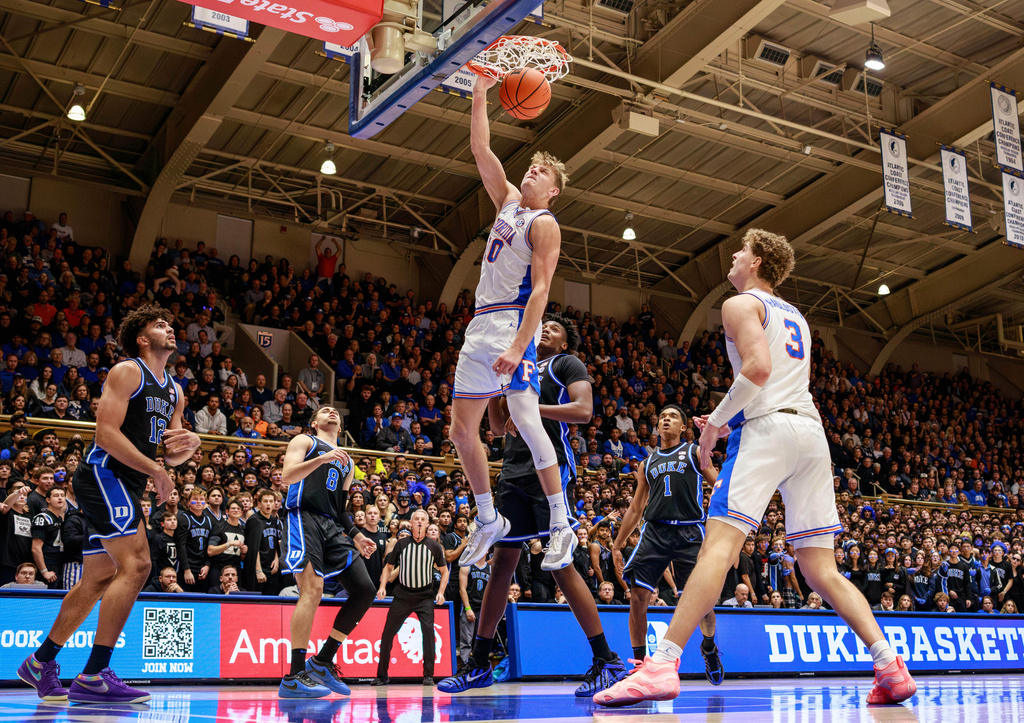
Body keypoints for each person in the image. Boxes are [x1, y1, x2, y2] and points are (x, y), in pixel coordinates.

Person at [595, 230, 916, 707]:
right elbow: (777, 385)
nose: (734, 256)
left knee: (718, 548)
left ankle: (661, 665)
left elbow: (758, 370)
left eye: (741, 251)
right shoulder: (798, 317)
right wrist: (728, 420)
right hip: (809, 434)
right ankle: (890, 665)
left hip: (767, 433)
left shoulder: (739, 303)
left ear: (758, 260)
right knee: (820, 568)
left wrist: (712, 428)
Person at [20, 306, 201, 703]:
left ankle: (40, 661)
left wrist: (189, 446)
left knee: (99, 579)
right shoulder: (128, 371)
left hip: (128, 482)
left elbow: (167, 452)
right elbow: (105, 435)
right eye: (160, 324)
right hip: (105, 474)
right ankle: (94, 674)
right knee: (138, 564)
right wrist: (157, 472)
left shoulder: (175, 390)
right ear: (141, 338)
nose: (169, 328)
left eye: (170, 325)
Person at [440, 314, 627, 697]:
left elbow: (584, 411)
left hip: (551, 468)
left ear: (563, 344)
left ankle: (606, 659)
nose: (546, 329)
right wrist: (495, 386)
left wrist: (531, 411)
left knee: (560, 566)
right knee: (501, 566)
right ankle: (478, 664)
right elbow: (495, 427)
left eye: (554, 329)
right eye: (544, 325)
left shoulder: (564, 364)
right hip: (513, 471)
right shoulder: (516, 367)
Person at [451, 75, 574, 571]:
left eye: (541, 171)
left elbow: (541, 291)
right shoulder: (506, 203)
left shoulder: (544, 223)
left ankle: (563, 524)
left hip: (509, 328)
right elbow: (481, 149)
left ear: (554, 190)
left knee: (525, 418)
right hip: (479, 327)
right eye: (531, 166)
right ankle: (487, 519)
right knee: (462, 432)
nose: (531, 172)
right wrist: (480, 90)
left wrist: (523, 345)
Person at [613, 404, 722, 683]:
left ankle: (709, 648)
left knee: (703, 605)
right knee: (637, 595)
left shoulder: (695, 452)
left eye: (672, 417)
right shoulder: (646, 464)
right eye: (662, 417)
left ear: (683, 427)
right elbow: (636, 507)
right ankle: (638, 665)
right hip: (655, 532)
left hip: (690, 533)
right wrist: (618, 543)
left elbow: (719, 486)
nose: (665, 420)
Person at [278, 407, 377, 698]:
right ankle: (294, 676)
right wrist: (322, 457)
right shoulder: (305, 442)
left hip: (331, 525)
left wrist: (357, 536)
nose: (331, 411)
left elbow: (341, 509)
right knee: (313, 589)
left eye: (335, 410)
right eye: (324, 410)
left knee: (364, 589)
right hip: (303, 516)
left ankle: (322, 661)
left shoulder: (347, 461)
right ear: (314, 422)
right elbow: (287, 476)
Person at [372, 509, 448, 685]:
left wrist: (441, 592)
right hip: (403, 595)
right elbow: (388, 567)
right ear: (411, 523)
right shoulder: (402, 544)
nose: (420, 522)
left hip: (425, 596)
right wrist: (382, 587)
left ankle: (428, 675)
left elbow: (444, 572)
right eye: (417, 519)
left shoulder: (434, 546)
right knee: (387, 633)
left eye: (423, 519)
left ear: (428, 524)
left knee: (428, 633)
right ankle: (381, 675)